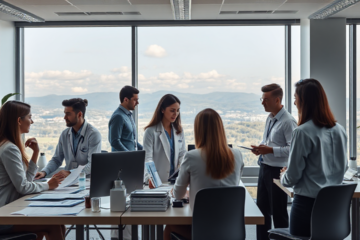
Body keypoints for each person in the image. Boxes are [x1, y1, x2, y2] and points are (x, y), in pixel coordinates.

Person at [164, 108, 244, 240]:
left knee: (170, 226)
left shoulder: (191, 156)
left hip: (201, 232)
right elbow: (233, 185)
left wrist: (189, 193)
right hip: (231, 230)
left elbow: (178, 194)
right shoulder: (237, 155)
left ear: (198, 130)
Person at [280, 78, 347, 237]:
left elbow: (293, 177)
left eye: (296, 98)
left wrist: (284, 175)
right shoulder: (340, 129)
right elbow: (342, 167)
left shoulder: (302, 132)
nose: (294, 103)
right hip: (334, 207)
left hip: (307, 207)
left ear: (304, 101)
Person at [0, 101, 65, 240]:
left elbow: (25, 181)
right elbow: (23, 187)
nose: (32, 121)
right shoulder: (9, 149)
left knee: (58, 223)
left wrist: (35, 154)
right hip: (3, 217)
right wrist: (48, 185)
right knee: (53, 225)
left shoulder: (7, 146)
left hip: (8, 211)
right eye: (29, 117)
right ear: (19, 120)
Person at [251, 83, 297, 240]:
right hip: (264, 167)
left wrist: (270, 150)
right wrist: (260, 149)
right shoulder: (270, 118)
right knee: (261, 210)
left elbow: (292, 149)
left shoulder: (288, 121)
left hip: (277, 172)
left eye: (266, 99)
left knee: (278, 213)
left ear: (277, 100)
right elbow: (269, 141)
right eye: (262, 99)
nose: (263, 102)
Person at [35, 98, 101, 179]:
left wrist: (70, 172)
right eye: (65, 114)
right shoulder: (65, 134)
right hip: (67, 182)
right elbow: (56, 159)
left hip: (86, 181)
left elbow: (92, 165)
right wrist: (44, 172)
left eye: (68, 114)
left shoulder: (93, 134)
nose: (64, 117)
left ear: (79, 115)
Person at [143, 94, 186, 183]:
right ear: (162, 110)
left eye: (178, 110)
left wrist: (183, 173)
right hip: (157, 181)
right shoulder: (150, 131)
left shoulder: (179, 131)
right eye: (172, 110)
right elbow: (148, 158)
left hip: (175, 181)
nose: (176, 114)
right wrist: (151, 178)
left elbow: (182, 154)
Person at [109, 86, 143, 152]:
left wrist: (144, 149)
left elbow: (131, 140)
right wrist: (128, 154)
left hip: (130, 158)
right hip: (122, 160)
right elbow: (114, 142)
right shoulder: (118, 116)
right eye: (135, 100)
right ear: (126, 100)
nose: (137, 103)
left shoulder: (129, 115)